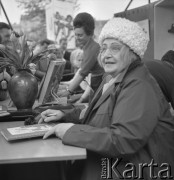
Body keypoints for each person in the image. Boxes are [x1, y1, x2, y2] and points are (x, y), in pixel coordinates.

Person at [38, 18, 174, 180]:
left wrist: (69, 131)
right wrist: (66, 115)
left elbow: (123, 140)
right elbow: (100, 114)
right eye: (103, 49)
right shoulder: (114, 78)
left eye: (115, 48)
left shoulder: (139, 85)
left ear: (133, 52)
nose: (106, 55)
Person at [58, 12, 104, 98]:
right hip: (95, 85)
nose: (77, 38)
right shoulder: (87, 47)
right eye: (75, 34)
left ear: (90, 34)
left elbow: (82, 74)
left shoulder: (93, 49)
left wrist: (68, 91)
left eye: (80, 35)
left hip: (99, 86)